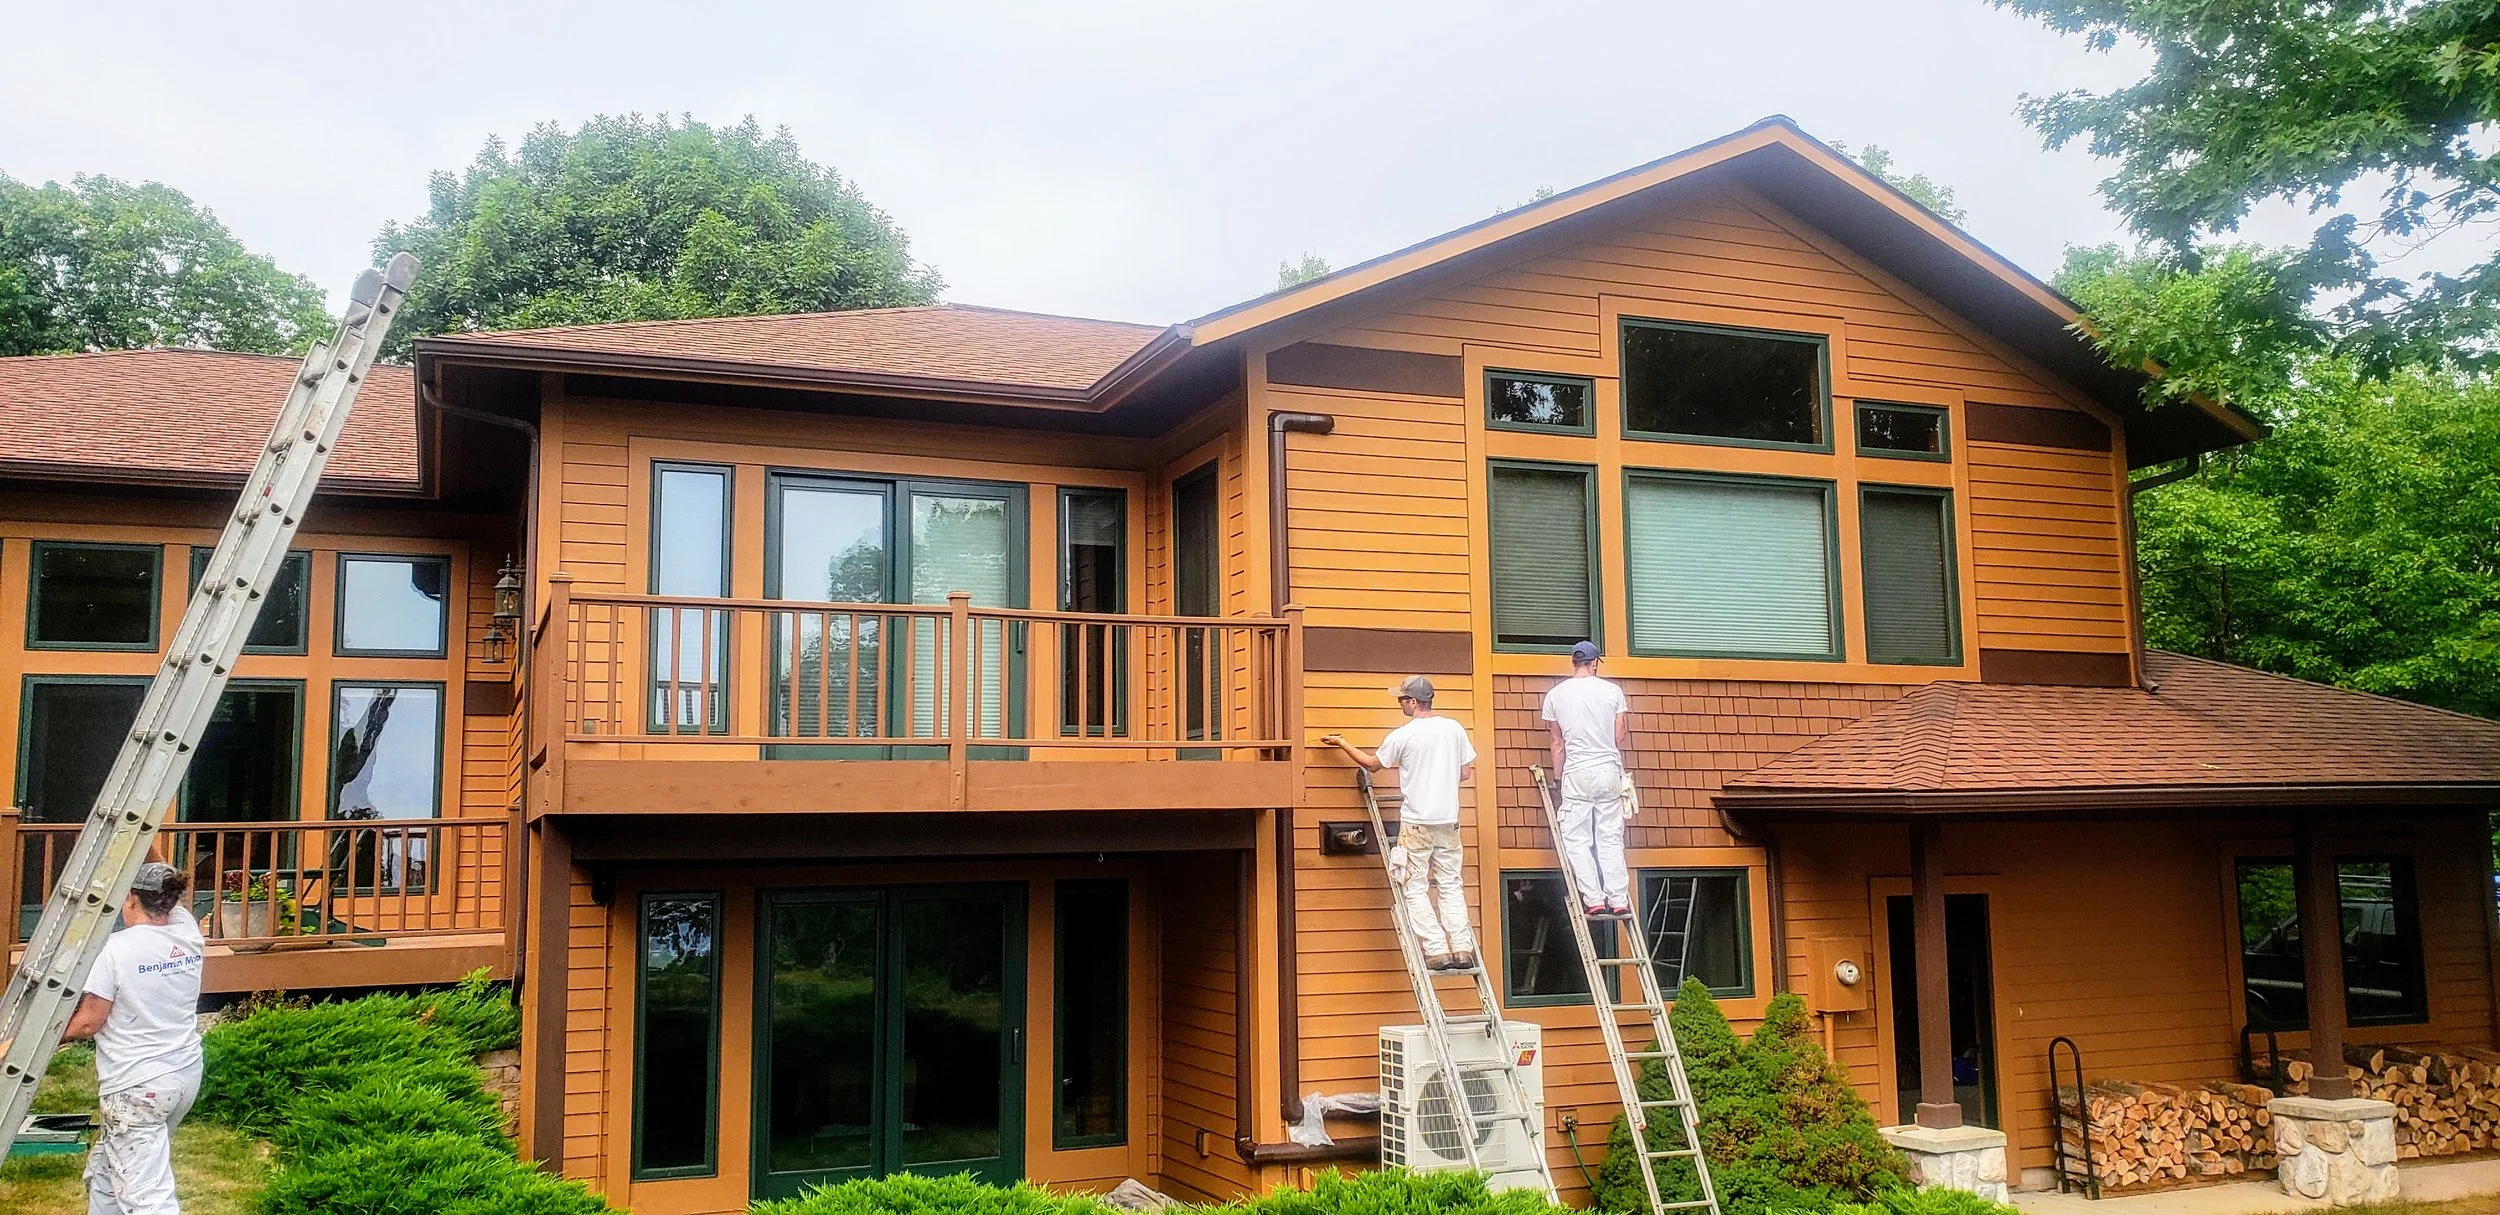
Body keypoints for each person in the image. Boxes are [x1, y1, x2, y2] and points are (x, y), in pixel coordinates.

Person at [64, 861, 205, 1215]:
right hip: (183, 1076)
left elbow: (87, 1023)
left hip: (137, 1088)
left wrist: (21, 1044)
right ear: (171, 901)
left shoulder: (115, 950)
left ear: (130, 900)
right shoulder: (186, 932)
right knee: (106, 1172)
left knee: (146, 1197)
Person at [1321, 676, 1480, 972]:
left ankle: (1437, 950)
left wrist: (1342, 742)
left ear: (1413, 702)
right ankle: (1461, 948)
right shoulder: (1454, 729)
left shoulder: (1404, 735)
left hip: (1417, 823)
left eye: (1401, 700)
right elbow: (1466, 773)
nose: (1399, 704)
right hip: (1449, 823)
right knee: (1450, 885)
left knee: (1414, 887)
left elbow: (1372, 764)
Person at [1543, 640, 1632, 919]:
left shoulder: (1556, 695)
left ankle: (1593, 899)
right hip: (1608, 770)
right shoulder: (1612, 692)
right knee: (1610, 838)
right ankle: (1618, 899)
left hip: (1577, 772)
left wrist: (1558, 778)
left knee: (1577, 839)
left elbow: (1557, 742)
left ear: (1574, 662)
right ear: (1595, 663)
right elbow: (1619, 737)